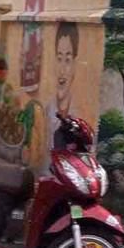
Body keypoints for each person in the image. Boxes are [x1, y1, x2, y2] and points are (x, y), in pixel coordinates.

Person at [46, 22, 79, 152]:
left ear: (75, 64)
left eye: (68, 60)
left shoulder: (78, 116)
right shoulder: (47, 111)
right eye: (59, 58)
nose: (62, 70)